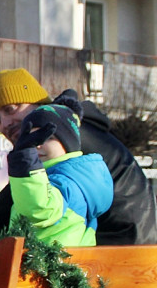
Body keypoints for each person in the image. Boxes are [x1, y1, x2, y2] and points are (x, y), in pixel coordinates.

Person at [0, 68, 157, 248]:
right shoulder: (78, 129)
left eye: (11, 109)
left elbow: (22, 198)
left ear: (38, 103)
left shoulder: (65, 137)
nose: (5, 123)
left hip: (123, 253)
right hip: (152, 247)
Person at [7, 95, 113, 247]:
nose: (36, 145)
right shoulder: (76, 178)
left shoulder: (65, 182)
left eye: (47, 137)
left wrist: (24, 159)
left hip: (45, 267)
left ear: (67, 141)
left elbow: (40, 209)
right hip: (62, 265)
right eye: (31, 139)